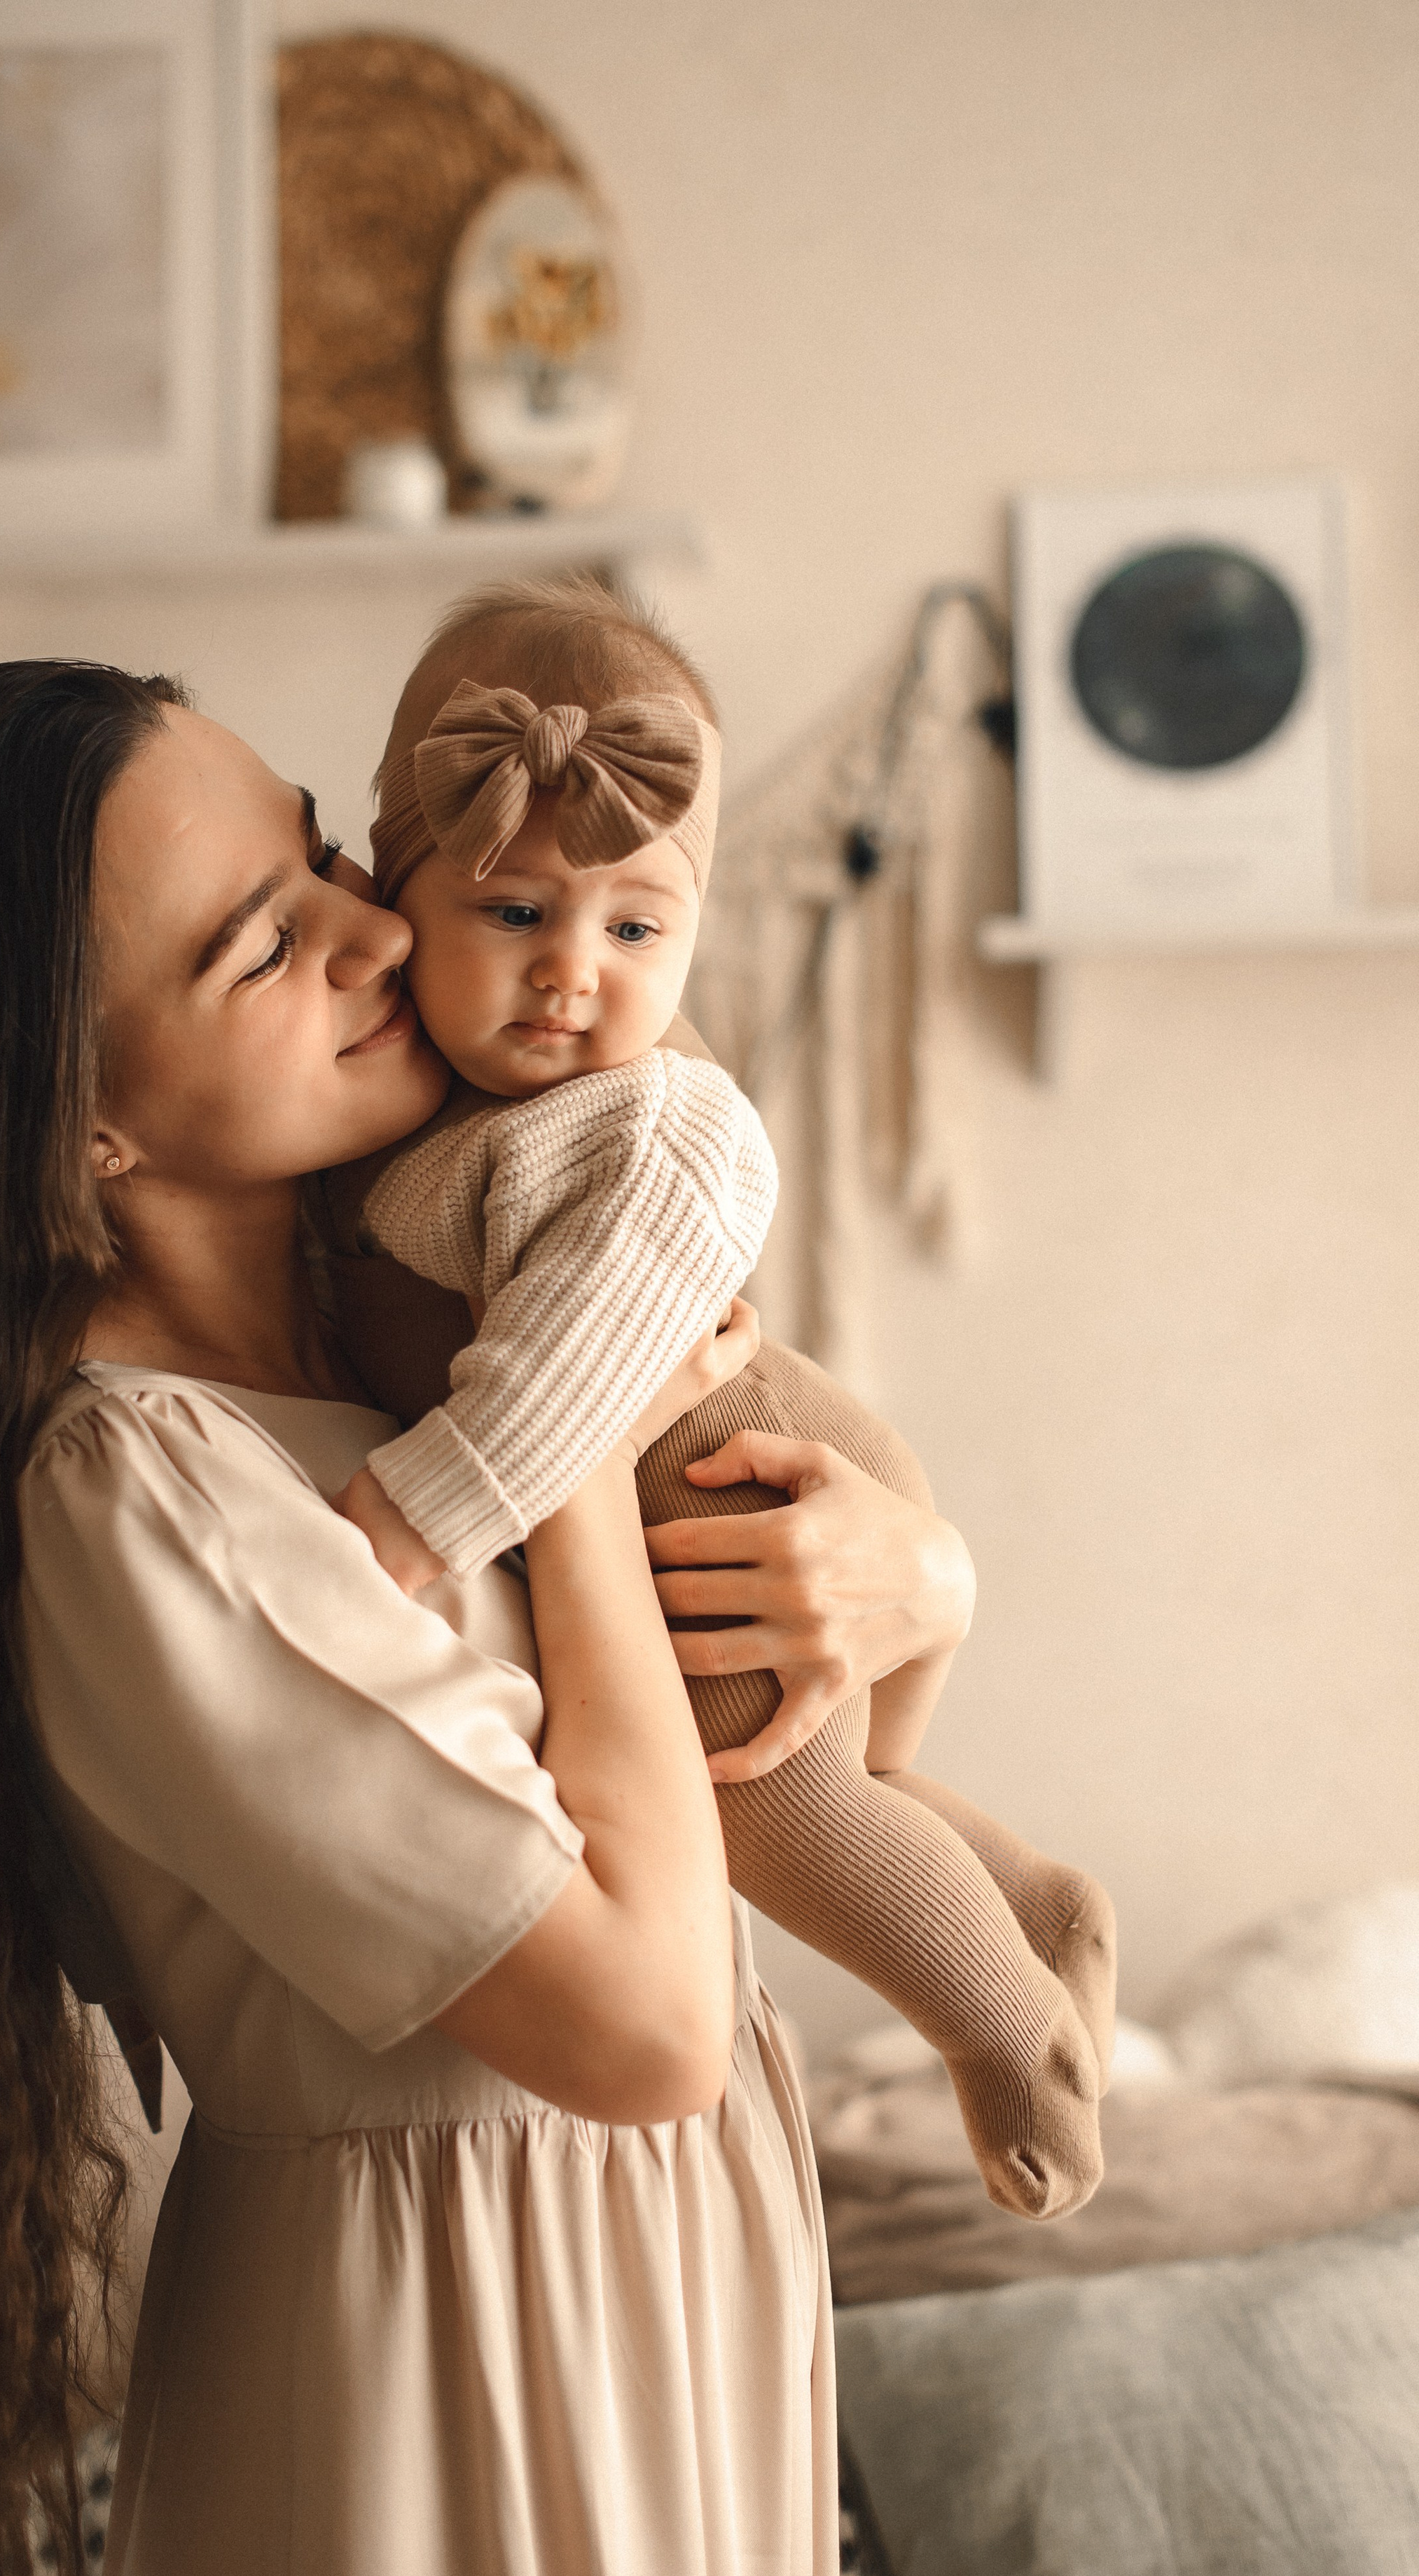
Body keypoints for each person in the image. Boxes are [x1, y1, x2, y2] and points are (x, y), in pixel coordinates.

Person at [0, 662, 974, 2576]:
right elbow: (639, 2022)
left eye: (326, 857)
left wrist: (916, 1577)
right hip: (448, 2389)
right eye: (264, 942)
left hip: (664, 2315)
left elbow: (759, 1789)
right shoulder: (138, 1490)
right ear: (67, 1116)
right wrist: (575, 1434)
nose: (378, 930)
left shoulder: (399, 1356)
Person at [314, 576, 1112, 2221]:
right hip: (737, 1483)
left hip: (739, 1486)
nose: (572, 978)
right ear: (395, 896)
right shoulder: (426, 1116)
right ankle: (1029, 1902)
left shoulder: (651, 1124)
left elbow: (574, 1363)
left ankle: (1003, 2032)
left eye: (633, 928)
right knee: (847, 1794)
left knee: (769, 1808)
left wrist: (415, 1519)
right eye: (514, 914)